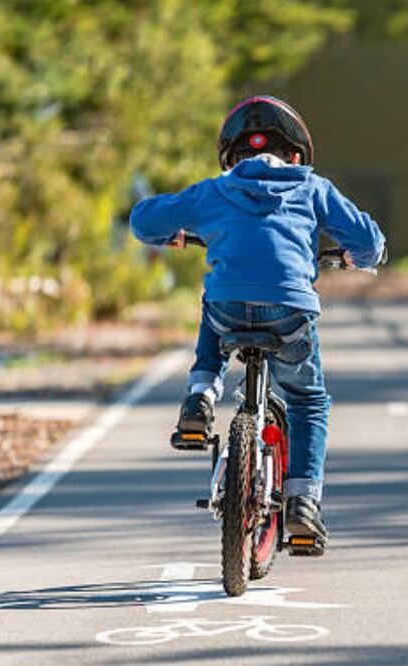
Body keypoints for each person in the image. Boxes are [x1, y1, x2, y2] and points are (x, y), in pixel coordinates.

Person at [129, 95, 386, 554]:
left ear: (233, 159)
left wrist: (173, 234)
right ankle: (303, 504)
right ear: (295, 156)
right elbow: (368, 240)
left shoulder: (215, 190)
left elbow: (143, 219)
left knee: (216, 299)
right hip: (289, 314)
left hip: (228, 312)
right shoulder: (312, 187)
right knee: (308, 400)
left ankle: (200, 397)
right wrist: (356, 257)